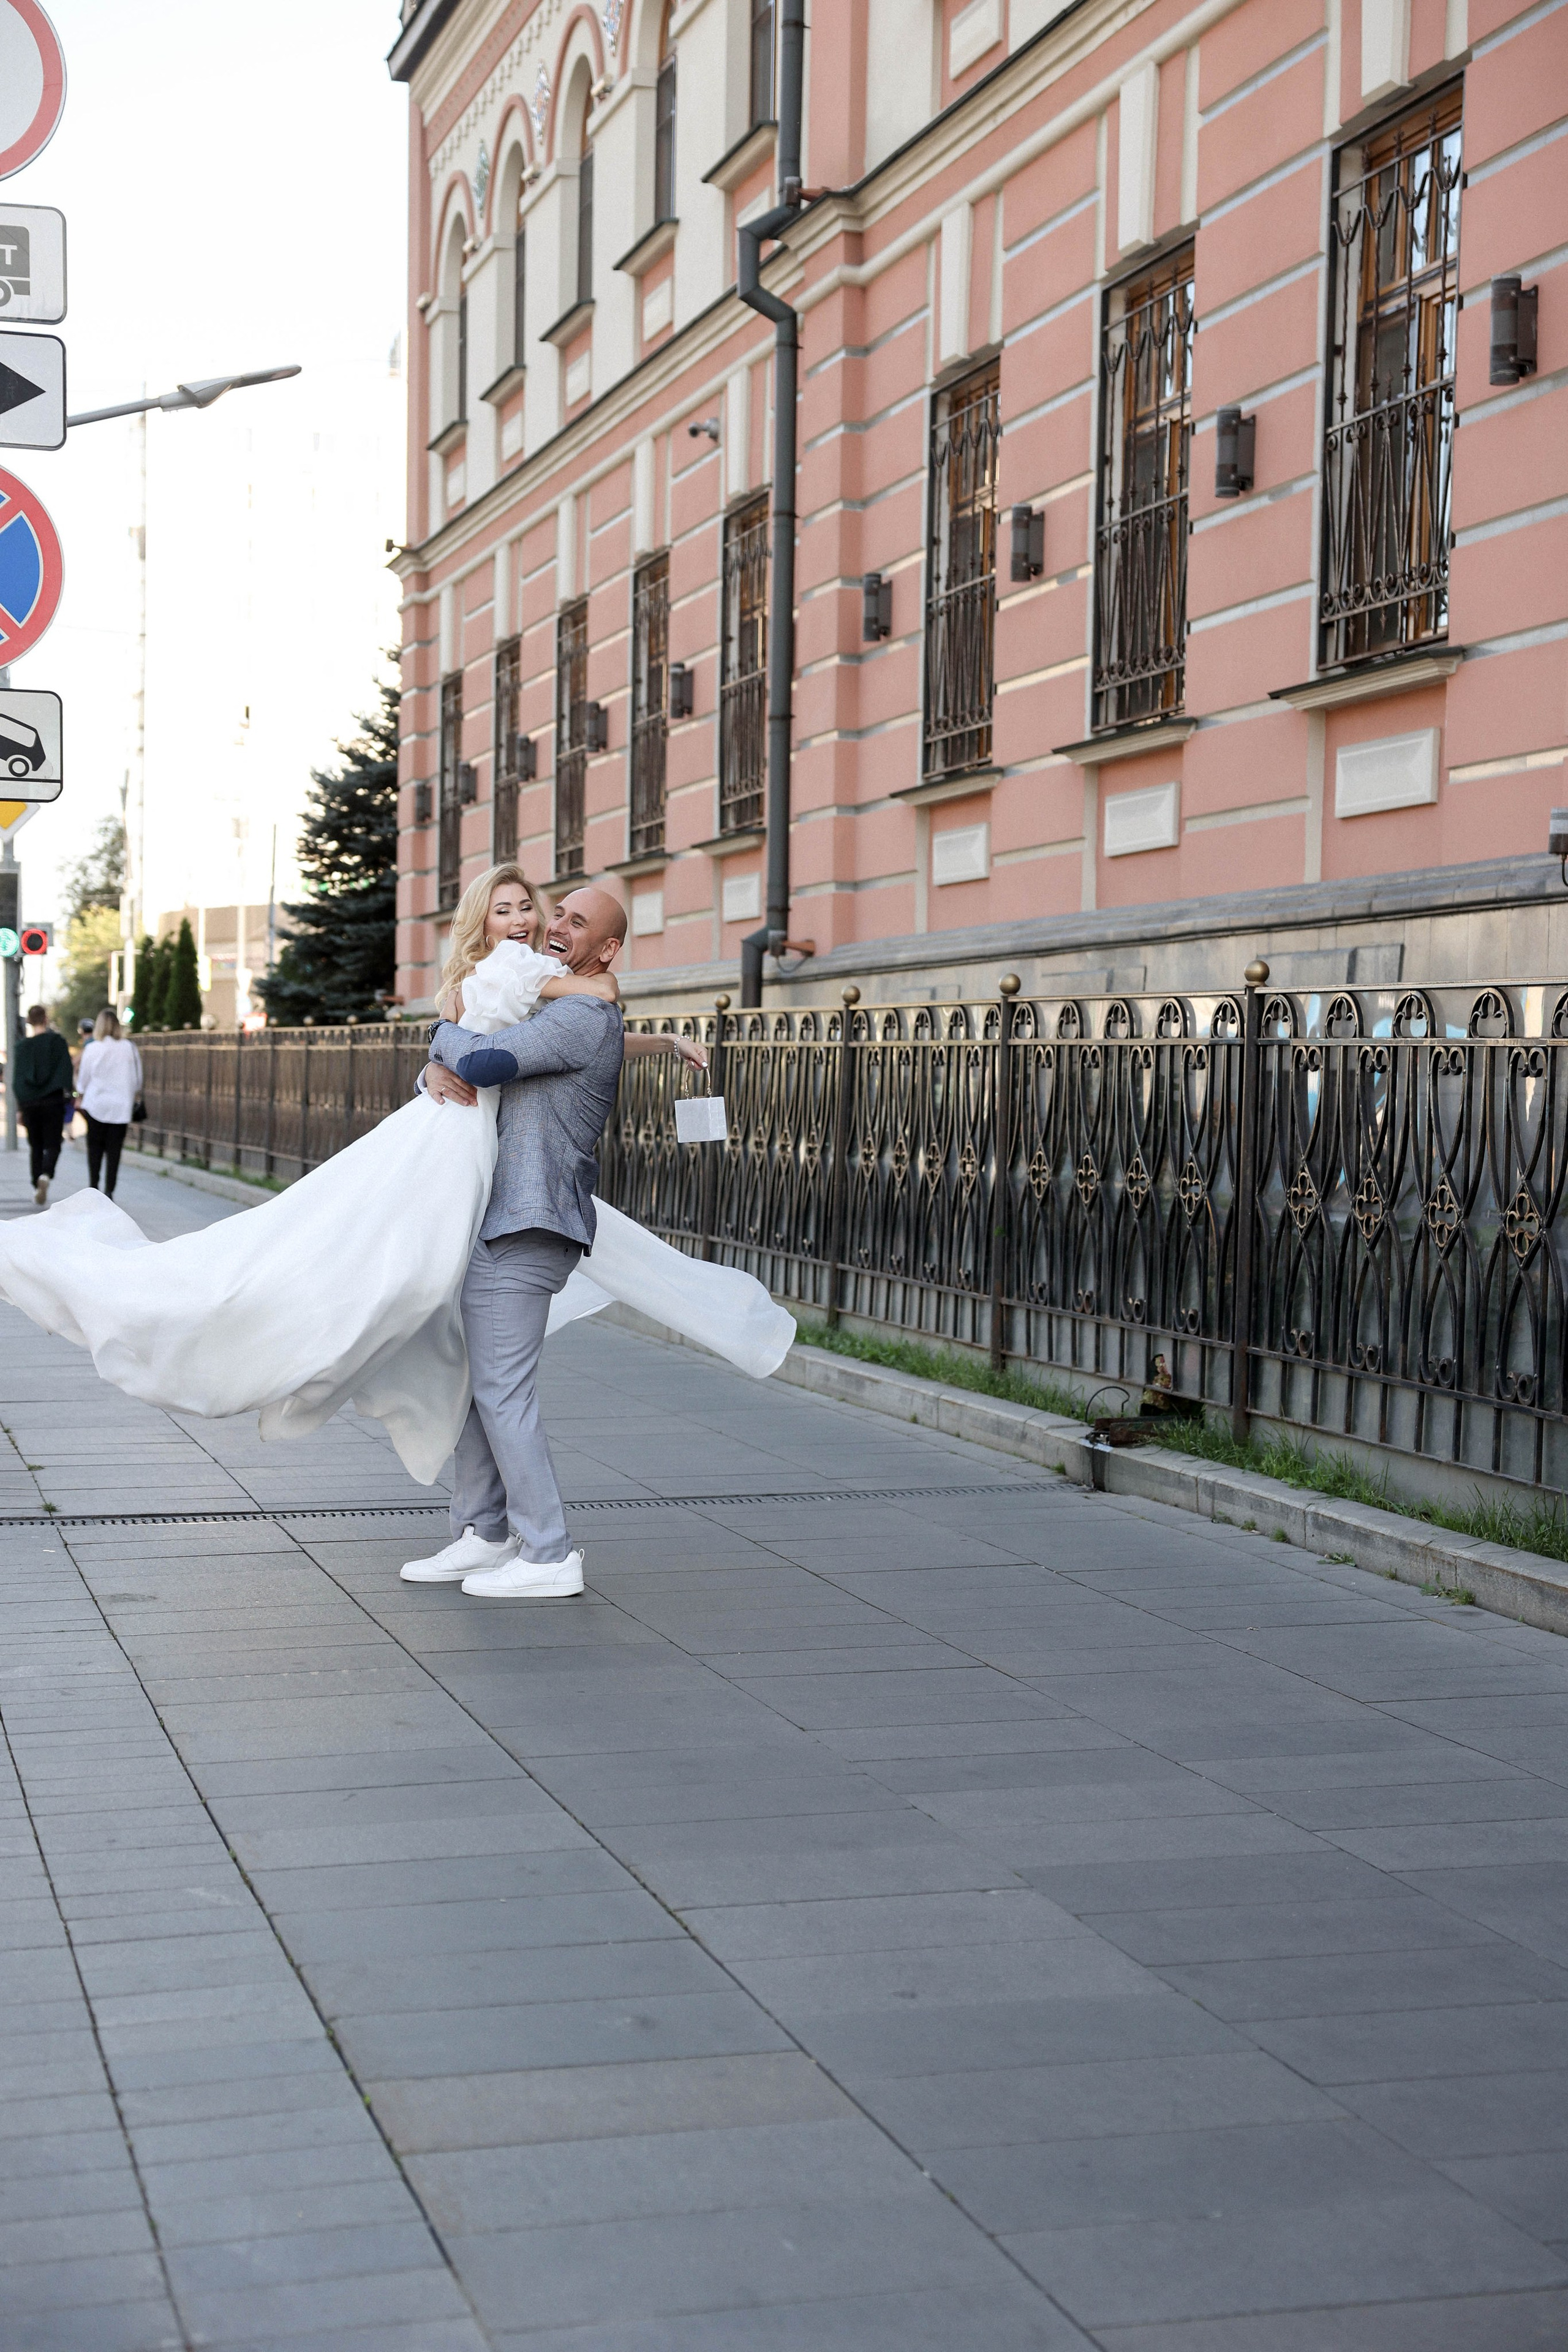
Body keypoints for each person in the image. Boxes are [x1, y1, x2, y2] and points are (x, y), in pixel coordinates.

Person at [0, 865, 794, 1566]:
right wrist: (441, 1053)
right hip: (459, 1155)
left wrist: (453, 1041)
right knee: (379, 1281)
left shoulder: (548, 986)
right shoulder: (520, 975)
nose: (532, 922)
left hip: (501, 1184)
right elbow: (557, 1025)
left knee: (455, 1343)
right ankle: (483, 1527)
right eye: (513, 909)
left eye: (544, 911)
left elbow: (563, 1035)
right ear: (483, 920)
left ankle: (534, 1543)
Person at [75, 1008, 143, 1199]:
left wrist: (81, 1092)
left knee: (94, 1148)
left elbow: (83, 1080)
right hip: (121, 1107)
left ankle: (94, 1188)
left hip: (96, 1105)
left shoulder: (92, 1048)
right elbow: (138, 1080)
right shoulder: (129, 1047)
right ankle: (110, 1190)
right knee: (115, 1151)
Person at [13, 1005, 73, 1207]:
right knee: (53, 1143)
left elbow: (17, 1080)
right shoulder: (57, 1043)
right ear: (46, 1020)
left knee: (36, 1146)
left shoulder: (22, 1048)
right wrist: (67, 1097)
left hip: (30, 1104)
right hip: (53, 1101)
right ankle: (46, 1174)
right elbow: (66, 1071)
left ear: (29, 1022)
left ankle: (35, 1182)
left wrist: (21, 1107)